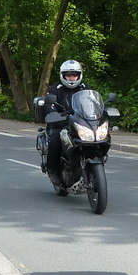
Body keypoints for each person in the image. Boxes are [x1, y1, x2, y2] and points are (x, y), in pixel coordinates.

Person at [44, 59, 87, 188]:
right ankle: (53, 170)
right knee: (55, 141)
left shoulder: (85, 88)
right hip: (61, 124)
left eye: (74, 75)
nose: (72, 78)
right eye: (68, 75)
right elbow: (49, 104)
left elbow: (93, 102)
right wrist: (54, 114)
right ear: (63, 75)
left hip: (81, 124)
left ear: (79, 75)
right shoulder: (56, 89)